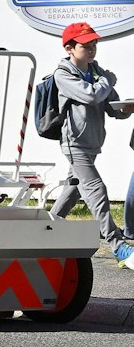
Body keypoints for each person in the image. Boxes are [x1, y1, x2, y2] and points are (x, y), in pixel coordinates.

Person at [52, 22, 130, 243]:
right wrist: (108, 80)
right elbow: (92, 96)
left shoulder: (96, 72)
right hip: (74, 142)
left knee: (74, 188)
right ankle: (117, 244)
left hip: (93, 140)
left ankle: (47, 227)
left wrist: (125, 110)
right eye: (86, 45)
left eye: (94, 43)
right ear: (69, 48)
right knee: (96, 188)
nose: (92, 49)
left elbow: (110, 104)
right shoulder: (63, 74)